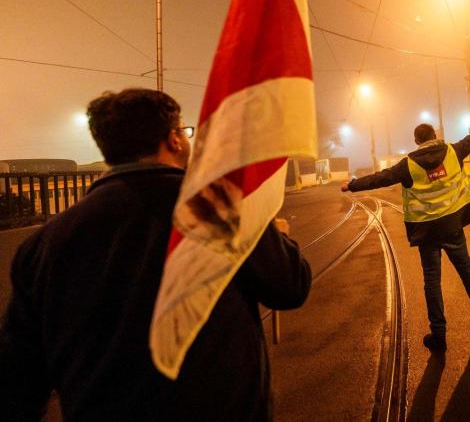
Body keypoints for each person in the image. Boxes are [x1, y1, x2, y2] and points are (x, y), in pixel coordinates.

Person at [0, 88, 311, 421]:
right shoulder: (220, 207)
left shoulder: (43, 244)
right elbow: (289, 287)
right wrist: (277, 237)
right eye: (184, 130)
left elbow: (19, 380)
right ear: (175, 139)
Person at [341, 106, 470, 352]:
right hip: (452, 226)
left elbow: (380, 178)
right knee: (467, 270)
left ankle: (438, 334)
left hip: (427, 232)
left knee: (432, 281)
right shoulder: (452, 152)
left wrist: (352, 185)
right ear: (435, 135)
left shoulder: (408, 165)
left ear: (416, 141)